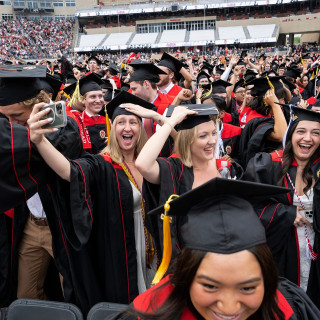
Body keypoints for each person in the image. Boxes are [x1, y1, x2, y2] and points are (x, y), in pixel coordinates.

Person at [27, 90, 169, 315]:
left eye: (133, 122)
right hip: (122, 256)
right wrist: (40, 141)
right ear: (112, 129)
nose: (127, 128)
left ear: (141, 129)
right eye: (121, 122)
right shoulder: (101, 165)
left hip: (154, 254)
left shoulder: (151, 164)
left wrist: (161, 120)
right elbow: (68, 171)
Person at [121, 179, 320, 320]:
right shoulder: (149, 311)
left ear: (266, 277)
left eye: (248, 288)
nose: (229, 308)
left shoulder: (287, 307)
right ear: (186, 276)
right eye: (210, 286)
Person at [0, 65, 83, 307]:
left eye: (16, 116)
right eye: (5, 119)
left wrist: (36, 138)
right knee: (26, 295)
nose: (11, 124)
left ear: (37, 104)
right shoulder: (16, 136)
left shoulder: (64, 129)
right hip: (31, 226)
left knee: (72, 291)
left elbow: (51, 158)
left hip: (62, 225)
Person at [131, 104, 242, 260]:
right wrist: (171, 121)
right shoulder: (176, 170)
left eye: (213, 133)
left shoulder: (226, 168)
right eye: (203, 136)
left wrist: (160, 119)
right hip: (189, 260)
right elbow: (143, 164)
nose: (212, 140)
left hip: (228, 254)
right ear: (189, 140)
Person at [244, 106, 320, 309]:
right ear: (291, 134)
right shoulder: (268, 165)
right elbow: (246, 208)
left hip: (315, 254)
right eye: (301, 131)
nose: (308, 138)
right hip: (280, 253)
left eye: (316, 133)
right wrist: (285, 213)